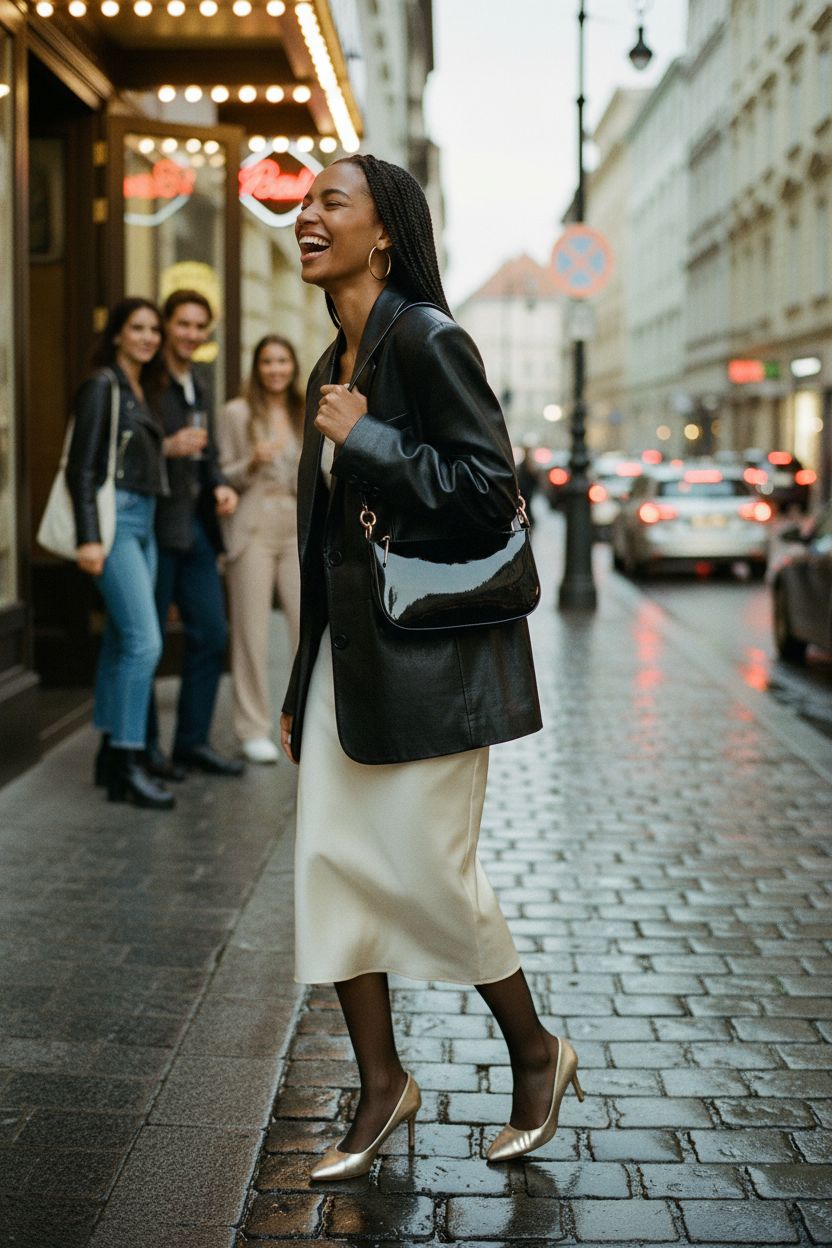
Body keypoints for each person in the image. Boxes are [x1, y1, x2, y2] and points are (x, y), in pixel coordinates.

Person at [279, 154, 584, 1183]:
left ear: (386, 235)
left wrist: (366, 441)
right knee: (329, 870)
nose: (305, 216)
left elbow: (489, 490)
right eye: (302, 203)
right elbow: (327, 552)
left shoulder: (428, 339)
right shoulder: (338, 356)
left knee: (429, 873)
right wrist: (295, 687)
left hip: (431, 665)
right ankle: (381, 1085)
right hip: (347, 666)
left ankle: (536, 1052)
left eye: (331, 202)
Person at [66, 298, 174, 810]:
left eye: (154, 329)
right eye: (138, 328)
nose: (149, 337)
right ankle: (130, 759)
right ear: (117, 335)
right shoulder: (102, 385)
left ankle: (110, 754)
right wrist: (89, 537)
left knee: (118, 640)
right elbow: (81, 468)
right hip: (115, 525)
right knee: (144, 643)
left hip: (145, 522)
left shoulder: (139, 388)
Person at [146, 289, 244, 778]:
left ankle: (190, 742)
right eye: (182, 323)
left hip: (197, 530)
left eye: (199, 325)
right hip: (154, 527)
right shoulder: (148, 381)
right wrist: (166, 447)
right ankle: (143, 749)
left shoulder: (200, 385)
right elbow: (130, 452)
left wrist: (222, 488)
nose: (190, 333)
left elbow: (208, 462)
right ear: (166, 325)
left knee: (212, 633)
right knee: (147, 640)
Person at [216, 336, 303, 763]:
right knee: (250, 634)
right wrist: (251, 461)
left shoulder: (304, 411)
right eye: (267, 361)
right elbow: (223, 474)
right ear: (256, 367)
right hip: (252, 526)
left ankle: (306, 720)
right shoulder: (236, 413)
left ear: (293, 366)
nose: (275, 369)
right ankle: (252, 728)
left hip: (296, 528)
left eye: (282, 361)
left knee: (308, 629)